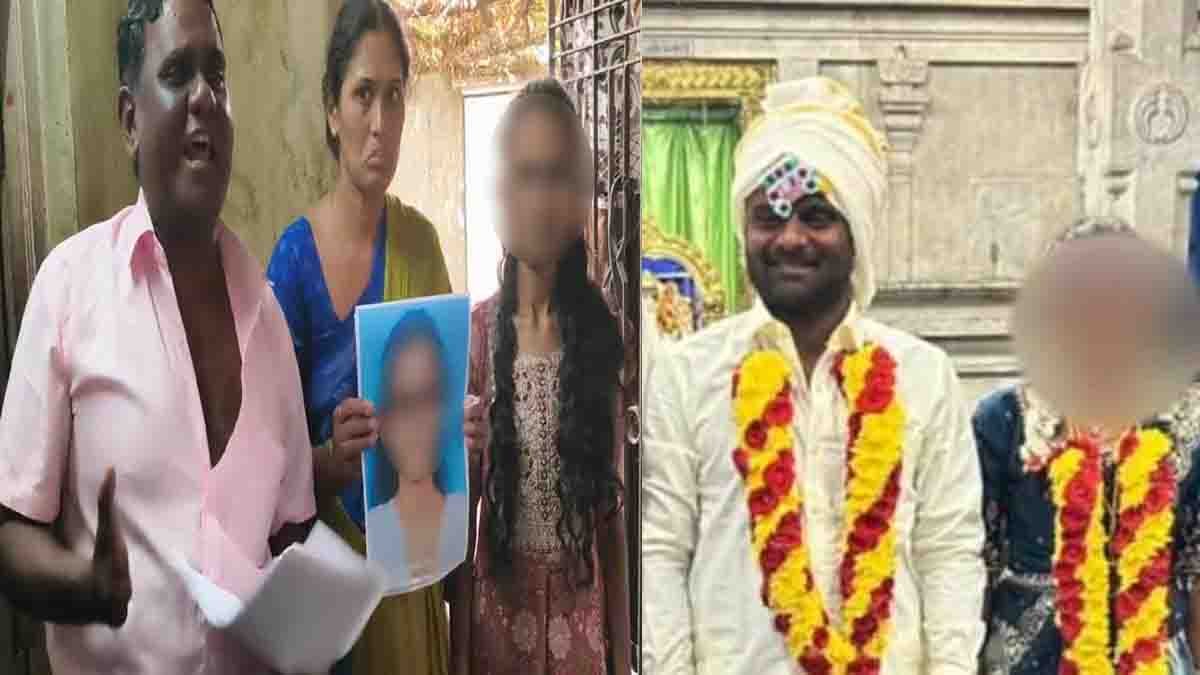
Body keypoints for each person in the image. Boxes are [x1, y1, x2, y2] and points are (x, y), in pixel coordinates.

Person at [0, 0, 316, 672]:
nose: (205, 94)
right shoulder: (68, 290)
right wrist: (85, 588)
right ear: (128, 118)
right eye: (177, 72)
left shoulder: (270, 318)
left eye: (218, 75)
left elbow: (291, 527)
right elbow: (10, 531)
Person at [641, 76, 986, 675]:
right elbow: (660, 550)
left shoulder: (924, 377)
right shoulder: (687, 374)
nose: (790, 238)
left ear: (858, 233)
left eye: (816, 215)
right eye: (768, 217)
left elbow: (949, 552)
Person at [265, 1, 464, 673]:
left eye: (394, 97)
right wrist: (327, 459)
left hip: (409, 575)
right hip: (329, 590)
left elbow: (442, 418)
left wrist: (459, 429)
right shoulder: (291, 263)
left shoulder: (421, 246)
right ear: (331, 110)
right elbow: (258, 463)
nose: (380, 124)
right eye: (361, 95)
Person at [454, 78, 633, 675]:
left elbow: (612, 522)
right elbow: (462, 525)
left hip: (582, 634)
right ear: (502, 192)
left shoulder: (601, 338)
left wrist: (622, 653)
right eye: (525, 175)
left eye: (557, 175)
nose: (540, 197)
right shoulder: (475, 335)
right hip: (496, 631)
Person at [976, 217, 1200, 675]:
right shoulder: (1004, 419)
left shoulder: (1188, 423)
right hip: (1028, 657)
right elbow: (974, 566)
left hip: (1155, 652)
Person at [365, 310, 468, 589]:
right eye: (403, 403)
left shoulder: (463, 515)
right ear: (382, 421)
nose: (417, 421)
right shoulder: (374, 528)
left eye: (429, 397)